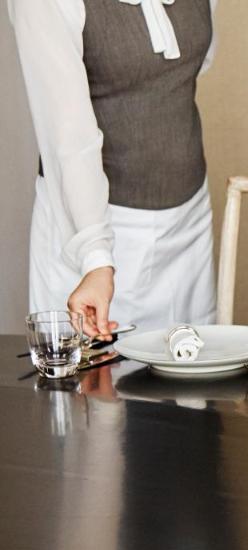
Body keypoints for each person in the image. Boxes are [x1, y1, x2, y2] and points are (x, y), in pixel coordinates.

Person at [9, 0, 219, 340]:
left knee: (190, 364)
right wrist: (95, 257)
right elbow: (67, 134)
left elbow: (185, 67)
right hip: (95, 229)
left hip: (189, 224)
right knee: (101, 370)